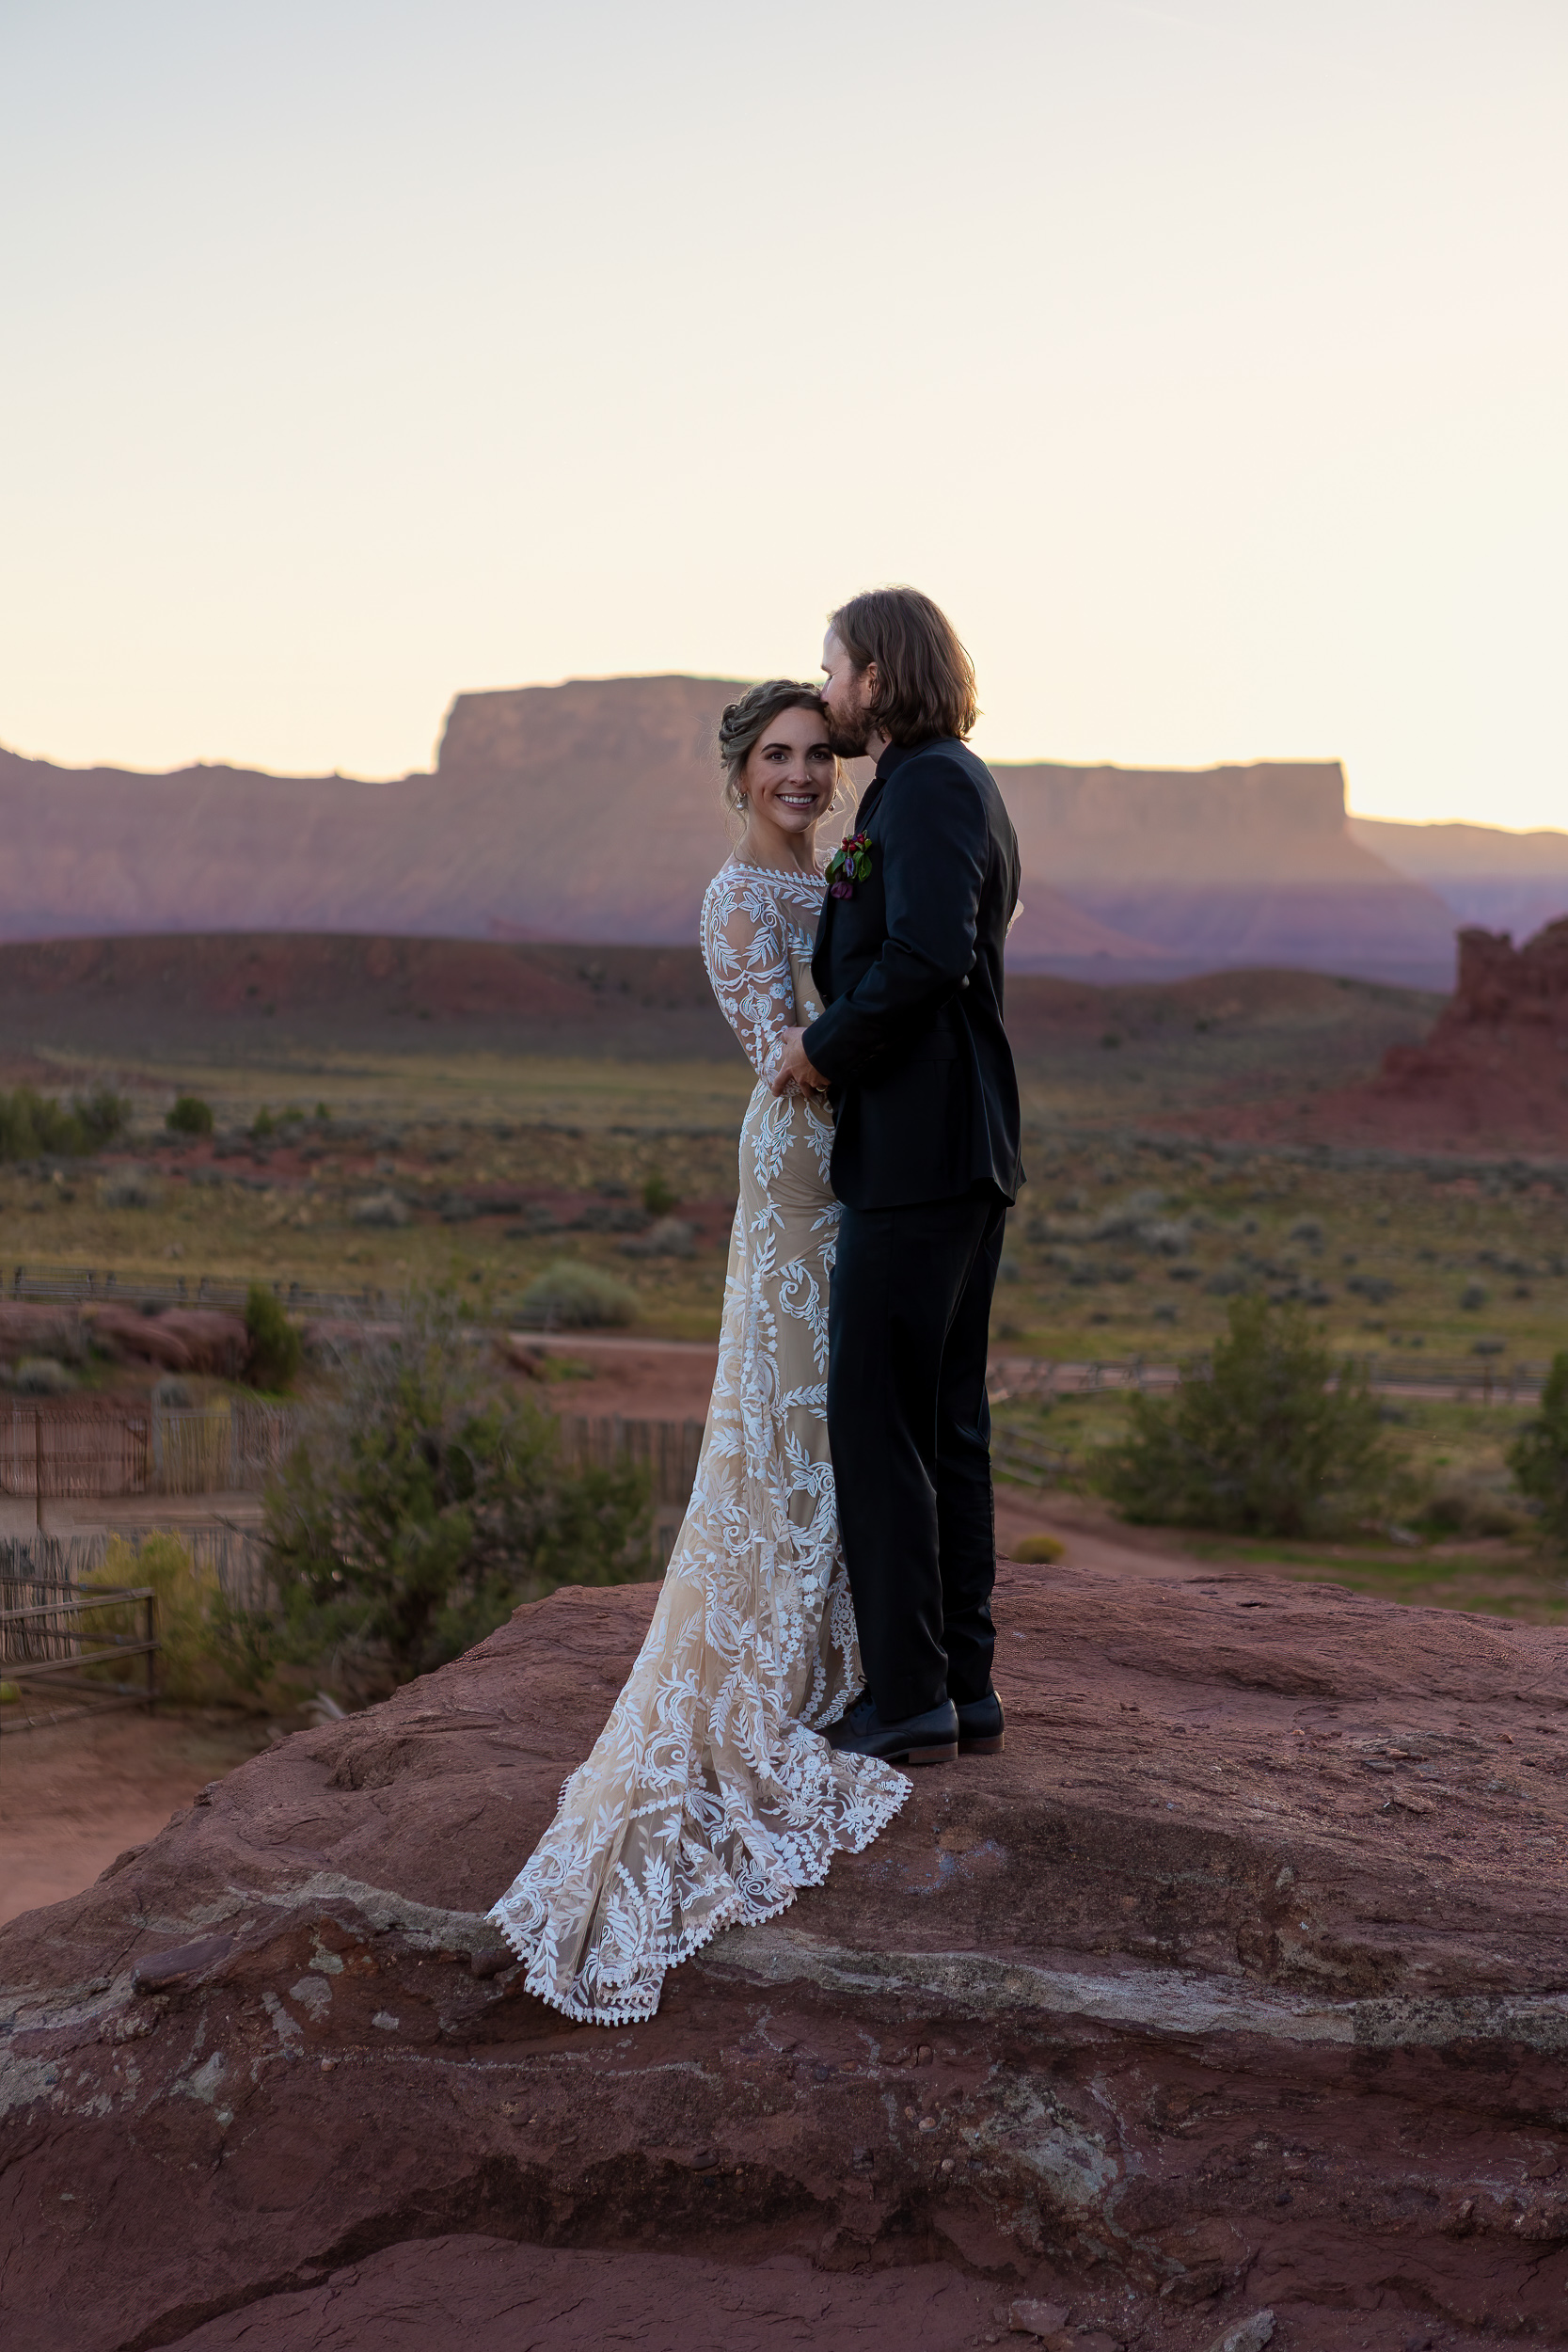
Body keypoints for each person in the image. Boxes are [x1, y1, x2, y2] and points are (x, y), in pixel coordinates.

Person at [487, 680, 909, 2026]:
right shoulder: (737, 898)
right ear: (737, 777)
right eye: (775, 758)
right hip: (801, 1169)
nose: (798, 774)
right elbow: (783, 1057)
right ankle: (778, 1654)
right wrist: (903, 1017)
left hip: (862, 1162)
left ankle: (842, 1625)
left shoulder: (840, 870)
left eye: (815, 754)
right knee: (786, 1406)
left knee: (841, 1402)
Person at [770, 587, 1024, 1769]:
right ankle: (959, 1688)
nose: (824, 692)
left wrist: (819, 1050)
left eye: (832, 671)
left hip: (920, 1157)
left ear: (877, 673)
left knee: (879, 1420)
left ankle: (908, 1697)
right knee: (943, 1422)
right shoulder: (945, 781)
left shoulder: (927, 787)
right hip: (955, 1151)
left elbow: (927, 951)